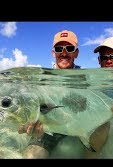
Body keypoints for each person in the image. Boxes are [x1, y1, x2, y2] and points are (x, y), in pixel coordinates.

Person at [18, 30, 82, 159]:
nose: (64, 53)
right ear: (53, 52)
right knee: (31, 156)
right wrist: (24, 122)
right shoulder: (42, 79)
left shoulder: (84, 78)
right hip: (50, 129)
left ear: (76, 53)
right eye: (59, 48)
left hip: (79, 126)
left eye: (69, 48)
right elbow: (31, 110)